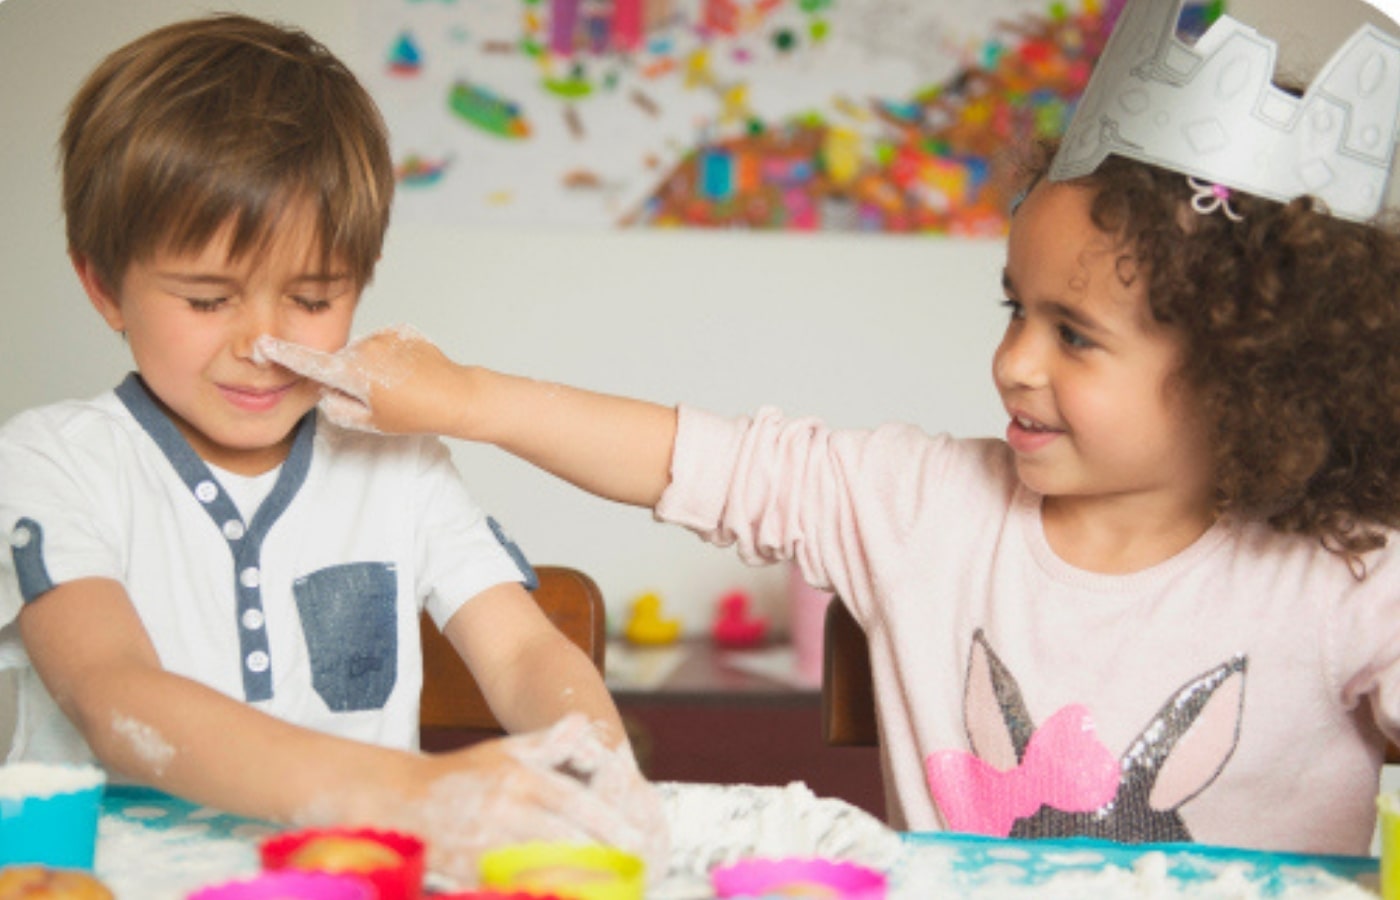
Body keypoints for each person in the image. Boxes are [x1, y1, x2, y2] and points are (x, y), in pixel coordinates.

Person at [260, 65, 1400, 864]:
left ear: (1242, 367)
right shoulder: (920, 506)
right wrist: (468, 399)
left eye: (1073, 334)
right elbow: (698, 460)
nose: (1009, 362)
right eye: (1013, 310)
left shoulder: (1351, 577)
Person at [0, 13, 663, 879]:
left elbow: (522, 651)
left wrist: (594, 767)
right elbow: (113, 692)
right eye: (208, 301)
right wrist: (412, 793)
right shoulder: (54, 463)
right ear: (104, 285)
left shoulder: (400, 466)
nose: (262, 343)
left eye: (312, 298)